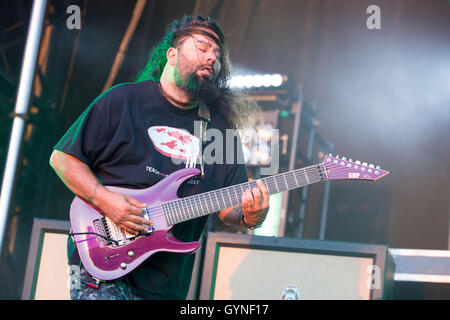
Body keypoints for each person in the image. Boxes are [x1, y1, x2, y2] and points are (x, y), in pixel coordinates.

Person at [49, 15, 269, 300]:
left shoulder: (219, 131)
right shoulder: (123, 100)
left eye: (217, 55)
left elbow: (228, 208)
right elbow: (63, 159)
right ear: (172, 55)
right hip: (100, 260)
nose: (212, 58)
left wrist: (253, 216)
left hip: (166, 283)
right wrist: (106, 201)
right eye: (202, 47)